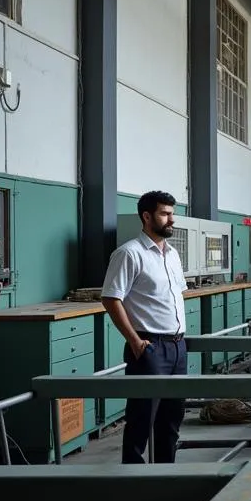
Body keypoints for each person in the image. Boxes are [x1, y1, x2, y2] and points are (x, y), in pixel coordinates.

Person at [102, 190, 188, 464]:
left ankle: (163, 480)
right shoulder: (129, 254)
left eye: (172, 214)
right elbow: (111, 298)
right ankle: (134, 488)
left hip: (177, 347)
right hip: (150, 347)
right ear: (147, 216)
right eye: (165, 214)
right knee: (141, 421)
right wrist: (135, 341)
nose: (171, 220)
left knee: (171, 421)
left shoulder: (172, 254)